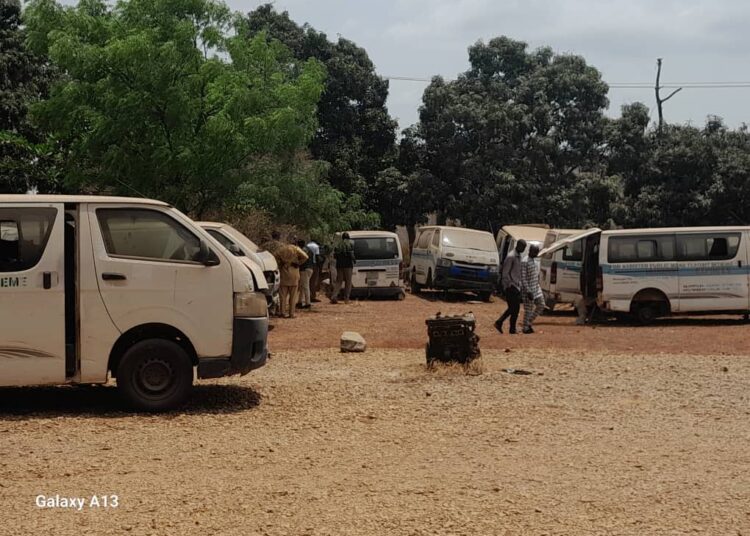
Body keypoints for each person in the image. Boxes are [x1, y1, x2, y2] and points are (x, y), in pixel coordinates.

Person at [495, 239, 526, 334]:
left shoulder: (518, 256)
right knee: (513, 308)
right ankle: (502, 324)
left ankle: (507, 326)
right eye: (523, 247)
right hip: (511, 286)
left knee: (514, 309)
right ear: (518, 246)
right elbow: (505, 273)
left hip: (516, 285)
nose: (524, 249)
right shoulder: (511, 256)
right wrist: (508, 285)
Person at [275, 241, 308, 318]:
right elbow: (306, 256)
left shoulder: (282, 249)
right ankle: (291, 313)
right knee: (293, 296)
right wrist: (298, 263)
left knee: (282, 296)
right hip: (294, 274)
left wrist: (280, 263)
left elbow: (274, 256)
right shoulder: (296, 249)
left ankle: (282, 312)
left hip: (284, 273)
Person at [521, 244, 545, 334]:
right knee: (528, 309)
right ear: (530, 251)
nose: (537, 253)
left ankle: (528, 322)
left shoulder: (535, 261)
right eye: (535, 252)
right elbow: (523, 278)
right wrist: (528, 291)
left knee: (541, 305)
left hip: (536, 287)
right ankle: (525, 327)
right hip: (529, 290)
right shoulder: (524, 261)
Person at [331, 232, 356, 304]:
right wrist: (354, 260)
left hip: (339, 265)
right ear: (348, 237)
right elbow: (351, 254)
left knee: (339, 281)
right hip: (348, 265)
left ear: (342, 238)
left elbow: (335, 256)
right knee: (348, 282)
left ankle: (334, 296)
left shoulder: (338, 245)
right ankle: (346, 299)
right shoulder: (351, 243)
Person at [297, 239, 314, 309]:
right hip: (310, 269)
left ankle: (308, 303)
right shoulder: (308, 249)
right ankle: (300, 301)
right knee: (302, 286)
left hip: (304, 269)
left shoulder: (302, 250)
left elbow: (301, 260)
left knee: (305, 286)